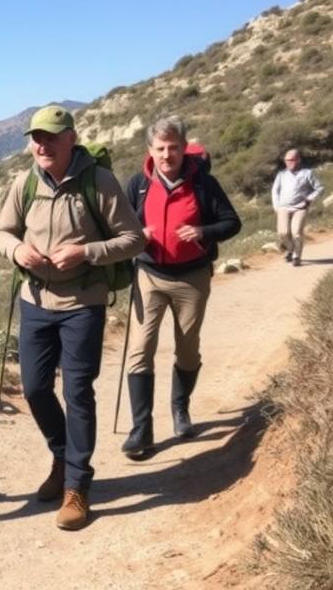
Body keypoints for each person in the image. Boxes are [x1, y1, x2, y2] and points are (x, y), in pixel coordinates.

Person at [0, 104, 143, 530]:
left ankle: (76, 485)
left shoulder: (99, 181)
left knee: (77, 392)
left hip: (82, 303)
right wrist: (17, 250)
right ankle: (62, 457)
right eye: (37, 138)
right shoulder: (24, 183)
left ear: (71, 139)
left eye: (51, 138)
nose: (43, 145)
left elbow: (134, 239)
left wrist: (86, 252)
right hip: (35, 301)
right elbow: (2, 232)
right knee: (35, 388)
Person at [120, 117, 241, 459]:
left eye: (173, 147)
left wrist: (203, 232)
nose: (166, 155)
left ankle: (180, 408)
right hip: (149, 275)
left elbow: (232, 222)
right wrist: (137, 235)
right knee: (140, 349)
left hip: (192, 277)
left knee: (187, 349)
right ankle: (141, 429)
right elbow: (122, 227)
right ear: (150, 150)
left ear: (184, 148)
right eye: (160, 148)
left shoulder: (204, 183)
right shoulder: (137, 185)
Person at [272, 148, 324, 267]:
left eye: (291, 160)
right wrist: (276, 206)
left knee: (296, 232)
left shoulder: (307, 173)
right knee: (283, 233)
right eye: (286, 160)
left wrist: (309, 199)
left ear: (298, 160)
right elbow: (275, 191)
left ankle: (297, 256)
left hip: (300, 207)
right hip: (283, 207)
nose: (288, 162)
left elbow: (319, 188)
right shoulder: (281, 174)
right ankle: (290, 249)